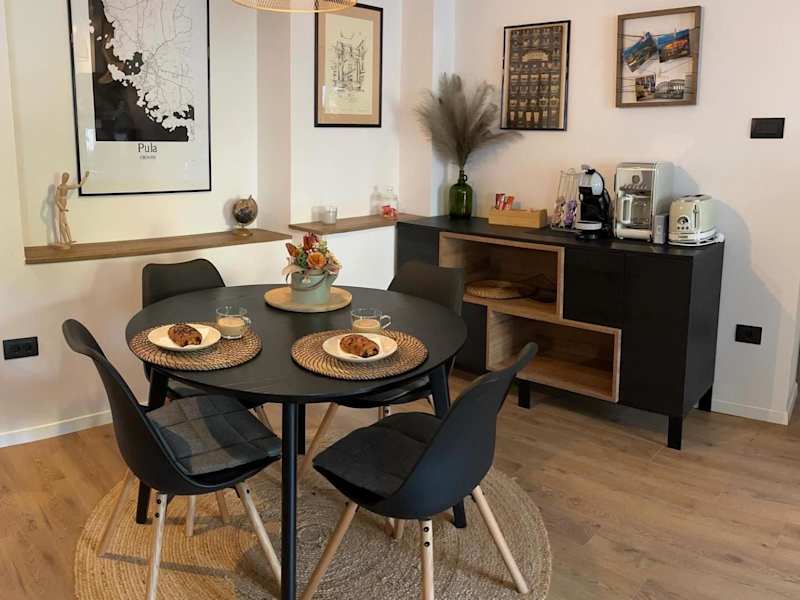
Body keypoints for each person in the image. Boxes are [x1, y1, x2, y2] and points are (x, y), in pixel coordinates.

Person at [54, 171, 89, 248]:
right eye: (64, 177)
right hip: (62, 205)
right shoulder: (60, 187)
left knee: (63, 223)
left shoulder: (66, 187)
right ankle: (66, 240)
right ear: (62, 178)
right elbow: (56, 200)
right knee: (62, 223)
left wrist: (85, 177)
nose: (64, 179)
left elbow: (79, 185)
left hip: (63, 204)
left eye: (66, 178)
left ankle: (68, 240)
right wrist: (62, 208)